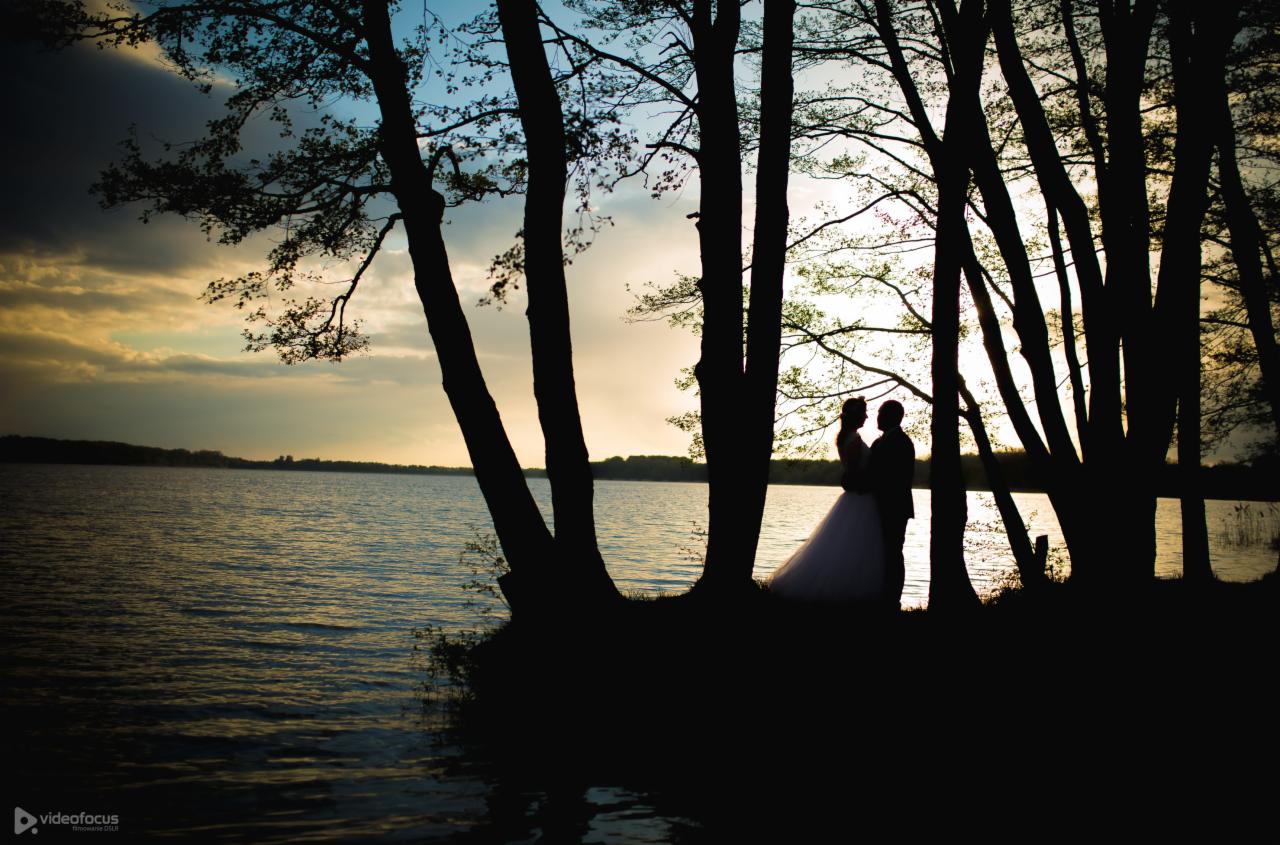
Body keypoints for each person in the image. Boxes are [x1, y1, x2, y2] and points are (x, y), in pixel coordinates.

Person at [768, 398, 886, 602]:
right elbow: (856, 471)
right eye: (863, 413)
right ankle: (848, 589)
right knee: (855, 543)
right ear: (855, 416)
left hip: (859, 497)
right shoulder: (853, 440)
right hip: (860, 498)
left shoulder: (847, 437)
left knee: (851, 544)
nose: (866, 417)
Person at [866, 400, 914, 609]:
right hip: (879, 507)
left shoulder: (902, 443)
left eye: (880, 413)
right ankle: (880, 594)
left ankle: (892, 599)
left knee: (893, 553)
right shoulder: (880, 442)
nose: (877, 417)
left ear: (892, 416)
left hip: (894, 508)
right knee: (882, 553)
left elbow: (895, 478)